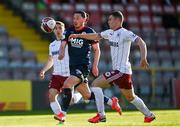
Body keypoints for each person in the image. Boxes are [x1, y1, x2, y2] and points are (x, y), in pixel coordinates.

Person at [69, 11, 156, 123]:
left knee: (95, 85)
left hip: (121, 71)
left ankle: (101, 115)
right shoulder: (109, 32)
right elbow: (96, 36)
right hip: (123, 72)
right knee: (131, 97)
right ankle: (149, 115)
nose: (108, 21)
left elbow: (141, 42)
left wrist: (143, 58)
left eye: (110, 19)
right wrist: (79, 35)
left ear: (117, 20)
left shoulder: (125, 33)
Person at [55, 11, 122, 123]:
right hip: (72, 67)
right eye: (73, 18)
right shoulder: (69, 31)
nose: (74, 20)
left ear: (84, 20)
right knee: (88, 95)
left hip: (82, 67)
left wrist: (95, 66)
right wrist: (61, 53)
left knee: (67, 84)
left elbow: (97, 50)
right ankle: (111, 102)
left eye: (77, 18)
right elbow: (63, 44)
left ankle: (63, 114)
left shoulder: (89, 32)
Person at [39, 21, 82, 120]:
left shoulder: (69, 42)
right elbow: (51, 60)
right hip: (56, 75)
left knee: (70, 100)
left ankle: (80, 95)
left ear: (64, 30)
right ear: (53, 30)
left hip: (68, 74)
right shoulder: (52, 45)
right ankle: (61, 116)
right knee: (51, 95)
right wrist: (44, 70)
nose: (58, 30)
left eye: (60, 28)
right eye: (56, 28)